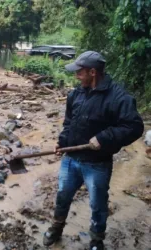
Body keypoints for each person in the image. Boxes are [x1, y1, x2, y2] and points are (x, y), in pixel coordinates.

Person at [43, 51, 144, 250]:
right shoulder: (76, 94)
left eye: (79, 72)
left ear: (92, 72)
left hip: (97, 164)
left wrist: (104, 138)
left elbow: (134, 127)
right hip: (71, 159)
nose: (76, 76)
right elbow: (69, 122)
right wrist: (62, 142)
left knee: (98, 205)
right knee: (63, 195)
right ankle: (56, 229)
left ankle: (97, 241)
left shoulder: (119, 97)